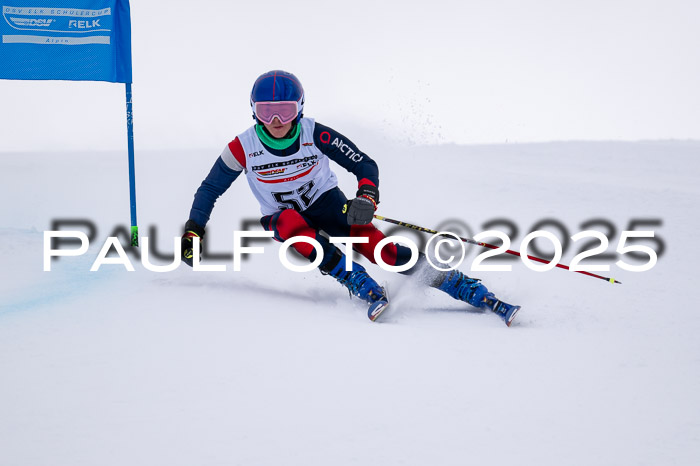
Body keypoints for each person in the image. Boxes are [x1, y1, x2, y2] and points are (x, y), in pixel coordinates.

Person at [181, 70, 520, 326]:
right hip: (282, 217)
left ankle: (460, 284)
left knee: (381, 250)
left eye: (284, 110)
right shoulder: (243, 147)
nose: (276, 121)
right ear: (253, 110)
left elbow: (363, 163)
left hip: (329, 204)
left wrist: (367, 196)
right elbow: (211, 188)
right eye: (266, 111)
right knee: (290, 223)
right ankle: (354, 278)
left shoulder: (315, 133)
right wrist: (194, 229)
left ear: (299, 108)